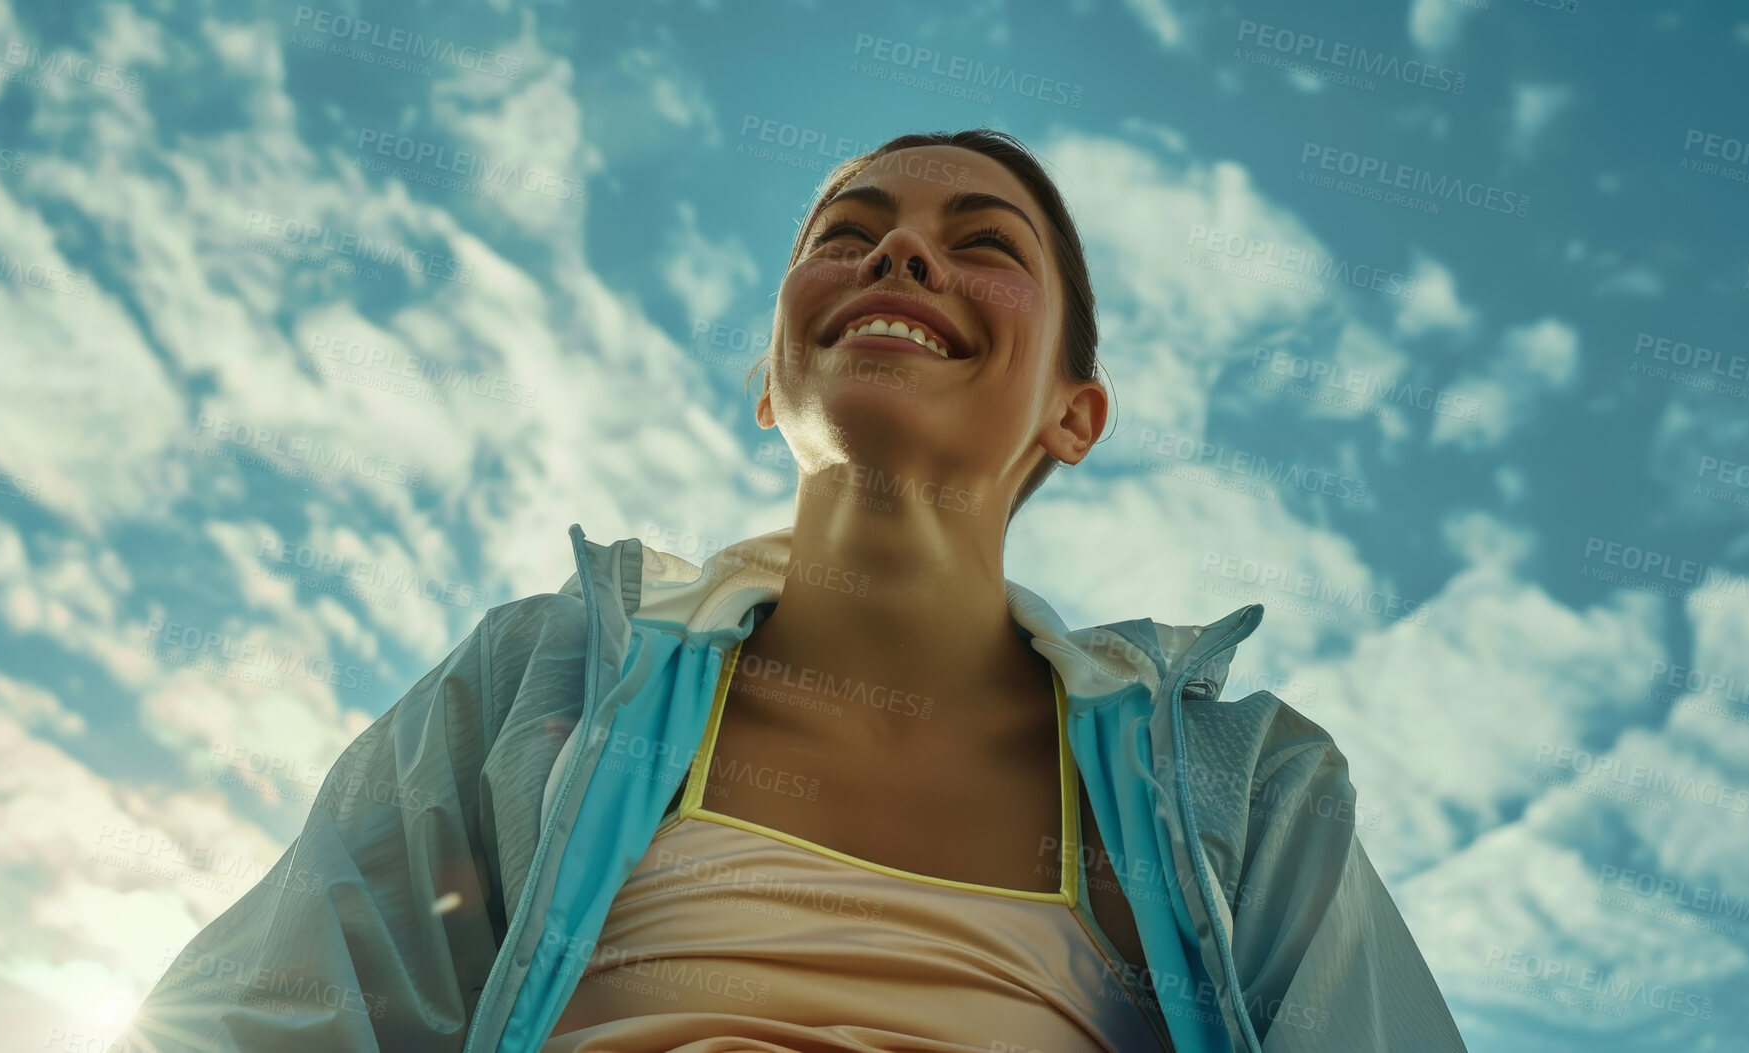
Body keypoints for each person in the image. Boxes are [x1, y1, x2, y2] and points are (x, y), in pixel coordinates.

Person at [126, 129, 1465, 1052]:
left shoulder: (1249, 796)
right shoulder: (539, 686)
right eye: (851, 231)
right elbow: (257, 1023)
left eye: (981, 239)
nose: (903, 256)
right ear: (771, 379)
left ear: (1076, 412)